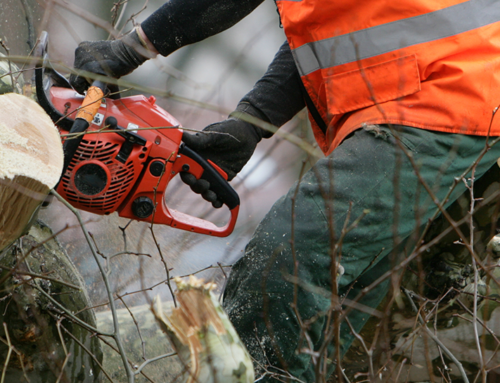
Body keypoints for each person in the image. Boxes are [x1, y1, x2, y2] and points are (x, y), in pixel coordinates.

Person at [70, 1, 500, 381]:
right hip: (428, 93)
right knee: (353, 324)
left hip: (458, 91)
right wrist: (252, 122)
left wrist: (130, 49)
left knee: (286, 260)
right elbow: (331, 28)